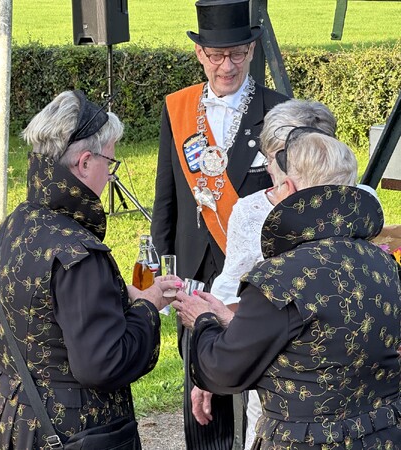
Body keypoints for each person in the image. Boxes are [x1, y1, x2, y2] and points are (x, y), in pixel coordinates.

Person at [0, 90, 177, 450]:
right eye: (110, 163)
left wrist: (120, 295)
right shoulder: (79, 253)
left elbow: (41, 313)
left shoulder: (17, 223)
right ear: (85, 163)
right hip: (62, 431)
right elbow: (103, 365)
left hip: (0, 417)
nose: (109, 175)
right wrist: (147, 305)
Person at [172, 128, 401, 449]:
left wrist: (203, 321)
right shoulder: (383, 265)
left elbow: (224, 372)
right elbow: (318, 339)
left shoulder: (280, 278)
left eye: (276, 185)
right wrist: (229, 318)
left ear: (290, 189)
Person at [150, 0, 289, 448]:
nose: (226, 65)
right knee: (200, 375)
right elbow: (166, 197)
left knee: (254, 377)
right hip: (194, 262)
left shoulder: (279, 110)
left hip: (255, 269)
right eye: (216, 56)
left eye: (237, 54)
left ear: (251, 51)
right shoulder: (178, 109)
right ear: (200, 55)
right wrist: (161, 270)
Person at [190, 99, 338, 449]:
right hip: (278, 384)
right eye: (272, 158)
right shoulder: (252, 210)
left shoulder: (358, 205)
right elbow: (231, 291)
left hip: (346, 376)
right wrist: (212, 370)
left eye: (278, 159)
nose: (272, 169)